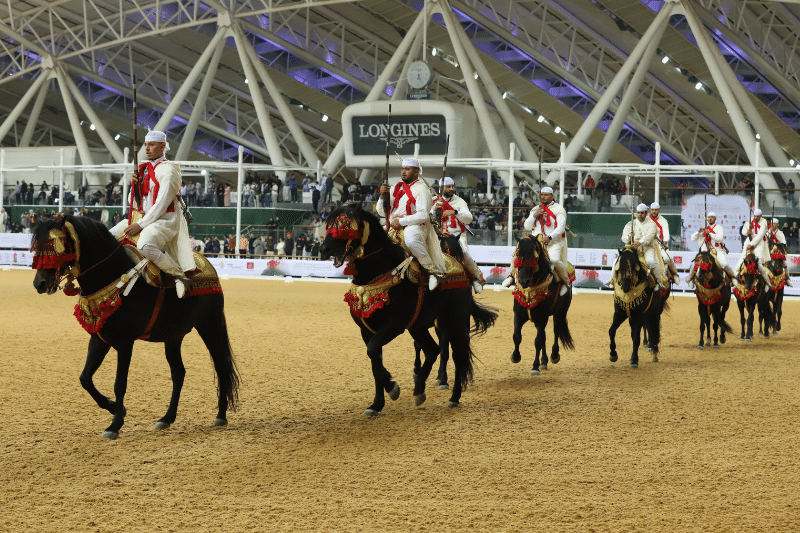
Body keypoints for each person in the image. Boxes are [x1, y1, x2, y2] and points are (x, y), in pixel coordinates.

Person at [109, 130, 195, 297]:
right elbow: (133, 203)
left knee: (144, 244)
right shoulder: (145, 169)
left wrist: (140, 225)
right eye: (146, 144)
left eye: (152, 145)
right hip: (142, 217)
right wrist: (134, 186)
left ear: (163, 147)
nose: (147, 148)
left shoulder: (169, 170)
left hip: (164, 220)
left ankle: (178, 275)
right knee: (108, 235)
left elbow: (162, 204)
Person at [377, 158, 447, 290]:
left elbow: (423, 215)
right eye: (403, 169)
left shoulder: (422, 190)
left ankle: (432, 271)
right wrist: (382, 197)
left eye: (407, 169)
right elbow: (382, 212)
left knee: (410, 239)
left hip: (415, 226)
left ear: (416, 172)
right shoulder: (395, 188)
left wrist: (402, 221)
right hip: (394, 226)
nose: (403, 172)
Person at [507, 186, 571, 296]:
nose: (543, 197)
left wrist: (550, 237)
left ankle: (566, 282)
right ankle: (512, 277)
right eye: (542, 195)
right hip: (535, 242)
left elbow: (561, 227)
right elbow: (527, 226)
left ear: (552, 196)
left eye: (546, 195)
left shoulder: (559, 209)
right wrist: (534, 216)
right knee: (516, 255)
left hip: (553, 242)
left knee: (554, 260)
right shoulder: (535, 209)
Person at [432, 176, 484, 293]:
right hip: (437, 236)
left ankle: (476, 278)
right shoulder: (434, 200)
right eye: (448, 187)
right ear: (441, 188)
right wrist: (433, 210)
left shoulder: (460, 201)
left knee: (464, 253)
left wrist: (455, 212)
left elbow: (469, 218)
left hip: (456, 236)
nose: (452, 189)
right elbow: (426, 217)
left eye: (452, 186)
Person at [621, 204, 666, 290]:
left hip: (647, 248)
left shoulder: (652, 224)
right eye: (638, 213)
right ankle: (612, 280)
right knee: (618, 261)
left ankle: (659, 282)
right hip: (632, 248)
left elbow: (649, 237)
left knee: (651, 261)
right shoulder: (630, 224)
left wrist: (640, 242)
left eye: (642, 213)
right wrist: (629, 238)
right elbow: (623, 238)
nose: (640, 214)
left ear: (646, 213)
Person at [689, 212, 737, 286]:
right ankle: (691, 279)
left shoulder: (719, 228)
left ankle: (733, 277)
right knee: (694, 265)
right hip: (705, 252)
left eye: (712, 217)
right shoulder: (703, 228)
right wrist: (698, 232)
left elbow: (720, 238)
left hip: (717, 251)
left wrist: (710, 233)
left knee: (723, 264)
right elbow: (693, 238)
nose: (710, 218)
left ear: (715, 219)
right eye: (709, 217)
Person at [734, 208, 772, 287]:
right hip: (748, 243)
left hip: (759, 244)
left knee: (759, 265)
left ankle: (768, 283)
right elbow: (743, 231)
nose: (756, 218)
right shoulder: (749, 220)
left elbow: (760, 236)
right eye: (755, 216)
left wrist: (751, 244)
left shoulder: (764, 222)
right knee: (739, 264)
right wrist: (747, 232)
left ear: (760, 216)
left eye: (758, 216)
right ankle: (734, 281)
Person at [649, 202, 680, 285]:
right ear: (650, 210)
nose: (654, 211)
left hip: (660, 245)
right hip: (648, 246)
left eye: (656, 210)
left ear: (659, 210)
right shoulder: (646, 220)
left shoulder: (663, 221)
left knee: (667, 258)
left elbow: (666, 233)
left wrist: (665, 241)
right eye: (652, 210)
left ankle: (674, 274)